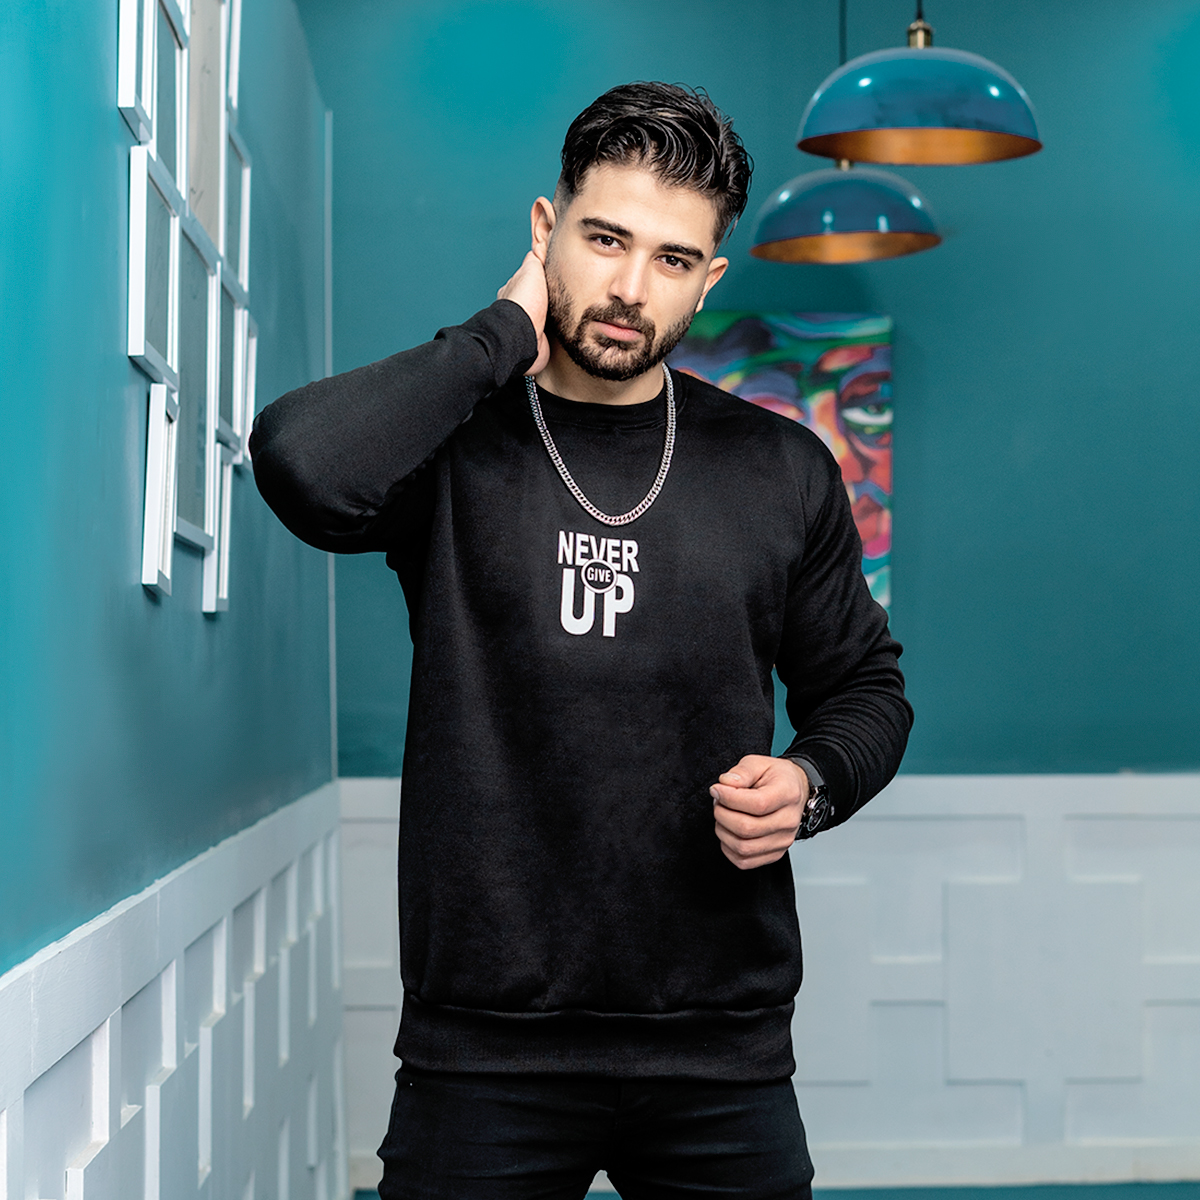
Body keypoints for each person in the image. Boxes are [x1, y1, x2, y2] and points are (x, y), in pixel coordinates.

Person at [252, 81, 912, 1200]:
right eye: (605, 240)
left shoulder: (780, 468)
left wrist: (811, 784)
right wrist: (499, 334)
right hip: (483, 1051)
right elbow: (301, 465)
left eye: (672, 259)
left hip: (718, 1048)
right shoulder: (452, 443)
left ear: (710, 278)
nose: (629, 289)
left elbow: (868, 691)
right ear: (545, 228)